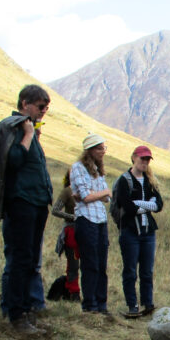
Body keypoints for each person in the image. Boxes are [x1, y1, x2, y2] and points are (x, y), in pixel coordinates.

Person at [0, 85, 53, 334]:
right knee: (19, 259)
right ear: (24, 104)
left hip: (38, 203)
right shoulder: (13, 127)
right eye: (40, 107)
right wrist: (29, 135)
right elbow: (14, 161)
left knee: (30, 259)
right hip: (21, 202)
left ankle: (26, 308)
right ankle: (15, 314)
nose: (43, 112)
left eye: (46, 108)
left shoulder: (30, 129)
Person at [114, 145, 163, 317]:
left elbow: (159, 205)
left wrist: (139, 203)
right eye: (142, 158)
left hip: (148, 230)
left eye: (148, 159)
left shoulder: (150, 181)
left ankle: (148, 304)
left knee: (147, 271)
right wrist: (148, 205)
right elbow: (127, 207)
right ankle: (132, 305)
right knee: (130, 270)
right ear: (134, 157)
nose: (145, 162)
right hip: (130, 231)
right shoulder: (124, 180)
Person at [70, 134, 111, 314]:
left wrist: (98, 193)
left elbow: (108, 197)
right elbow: (86, 196)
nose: (103, 151)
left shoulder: (98, 170)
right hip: (86, 219)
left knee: (101, 263)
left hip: (100, 219)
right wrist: (99, 193)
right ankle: (90, 304)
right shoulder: (78, 168)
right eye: (100, 148)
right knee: (90, 263)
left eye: (104, 148)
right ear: (91, 150)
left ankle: (101, 304)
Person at [50, 169, 80, 301]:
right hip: (71, 231)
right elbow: (55, 210)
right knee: (73, 265)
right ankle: (73, 292)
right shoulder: (67, 191)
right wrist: (72, 217)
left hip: (85, 230)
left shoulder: (86, 190)